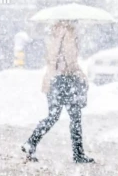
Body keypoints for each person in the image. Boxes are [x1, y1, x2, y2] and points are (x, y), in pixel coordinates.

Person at [22, 21, 94, 163]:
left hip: (52, 79)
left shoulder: (53, 33)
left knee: (53, 116)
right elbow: (69, 61)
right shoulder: (69, 33)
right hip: (67, 80)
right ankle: (78, 154)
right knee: (75, 118)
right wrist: (80, 74)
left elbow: (51, 58)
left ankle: (31, 142)